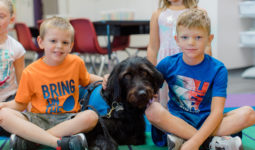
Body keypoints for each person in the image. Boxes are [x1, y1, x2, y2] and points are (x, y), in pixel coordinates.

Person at [145, 9, 255, 150]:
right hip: (177, 121)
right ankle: (212, 142)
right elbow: (146, 85)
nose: (191, 42)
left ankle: (183, 138)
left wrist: (193, 143)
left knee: (249, 113)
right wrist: (108, 77)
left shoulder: (218, 69)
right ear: (177, 40)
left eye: (198, 37)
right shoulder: (167, 64)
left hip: (207, 120)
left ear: (209, 39)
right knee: (152, 109)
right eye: (185, 37)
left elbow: (216, 113)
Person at [0, 16, 103, 150]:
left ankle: (33, 141)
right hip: (38, 119)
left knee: (91, 116)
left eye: (65, 43)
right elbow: (20, 104)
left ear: (71, 46)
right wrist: (4, 105)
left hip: (68, 119)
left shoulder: (76, 63)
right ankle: (57, 143)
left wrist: (106, 78)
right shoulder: (30, 72)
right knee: (3, 115)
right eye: (53, 41)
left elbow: (87, 79)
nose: (59, 46)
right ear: (41, 42)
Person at [147, 0, 212, 108]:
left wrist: (207, 67)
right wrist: (150, 74)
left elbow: (206, 44)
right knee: (164, 101)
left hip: (189, 60)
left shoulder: (198, 12)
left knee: (189, 98)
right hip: (165, 64)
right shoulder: (158, 14)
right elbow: (153, 47)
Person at [0, 0, 25, 102]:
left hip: (9, 99)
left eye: (1, 17)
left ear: (11, 19)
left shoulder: (16, 48)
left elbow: (22, 82)